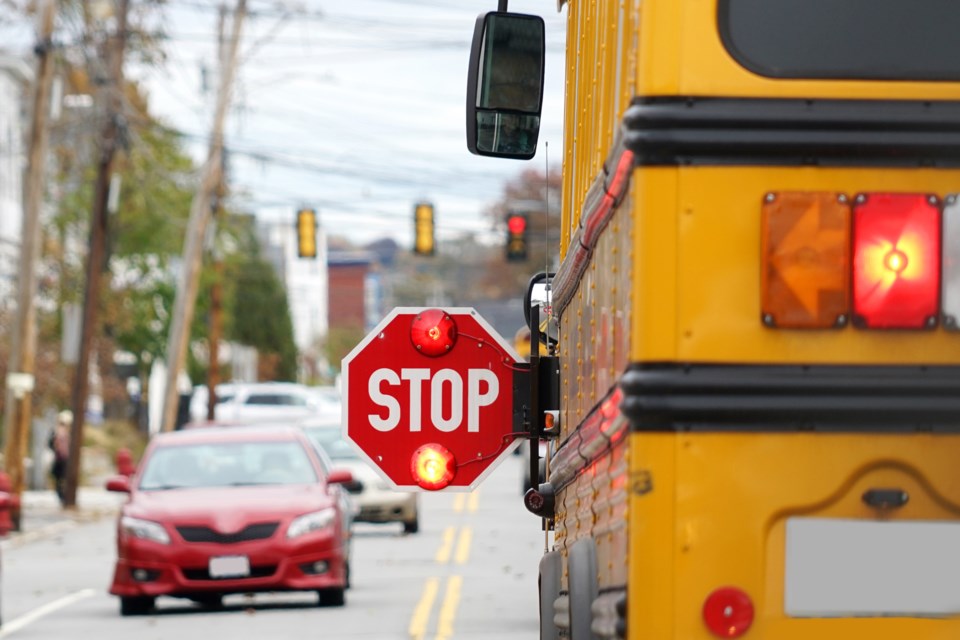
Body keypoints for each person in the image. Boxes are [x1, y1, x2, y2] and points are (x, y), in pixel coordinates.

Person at [49, 410, 71, 505]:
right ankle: (63, 497)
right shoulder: (58, 433)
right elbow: (51, 445)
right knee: (61, 480)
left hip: (62, 459)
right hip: (62, 459)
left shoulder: (60, 432)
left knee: (61, 480)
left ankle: (63, 497)